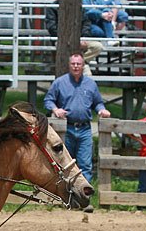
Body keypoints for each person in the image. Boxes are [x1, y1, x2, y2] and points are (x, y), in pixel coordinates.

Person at [44, 53, 110, 193]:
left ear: (83, 65)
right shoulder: (60, 82)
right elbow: (48, 100)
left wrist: (102, 110)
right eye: (73, 63)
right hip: (66, 128)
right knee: (65, 164)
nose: (75, 66)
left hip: (85, 129)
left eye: (78, 64)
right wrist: (56, 109)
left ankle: (85, 197)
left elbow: (97, 103)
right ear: (69, 65)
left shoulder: (90, 84)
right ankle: (66, 195)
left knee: (85, 164)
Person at [45, 6, 104, 77]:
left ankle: (79, 62)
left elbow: (86, 24)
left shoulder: (80, 8)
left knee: (98, 46)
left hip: (80, 39)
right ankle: (80, 64)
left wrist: (83, 38)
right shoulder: (53, 8)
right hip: (61, 40)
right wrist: (68, 39)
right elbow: (52, 28)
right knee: (87, 75)